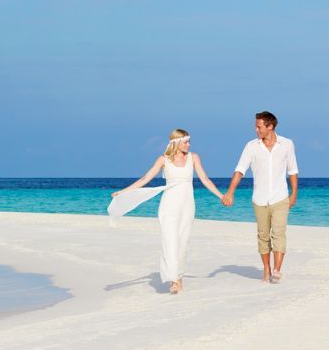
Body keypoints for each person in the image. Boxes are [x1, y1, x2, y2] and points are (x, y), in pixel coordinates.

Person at [111, 129, 224, 294]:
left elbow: (205, 179)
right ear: (177, 142)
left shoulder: (194, 158)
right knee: (169, 241)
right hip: (168, 206)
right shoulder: (163, 160)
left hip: (187, 205)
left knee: (182, 242)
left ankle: (179, 276)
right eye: (186, 141)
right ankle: (173, 280)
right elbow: (145, 179)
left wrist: (221, 196)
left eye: (189, 141)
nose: (189, 144)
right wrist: (122, 192)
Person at [222, 111, 298, 283]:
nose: (256, 130)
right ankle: (267, 269)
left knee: (279, 233)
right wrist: (230, 192)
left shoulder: (287, 144)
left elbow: (292, 171)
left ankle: (277, 270)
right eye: (256, 126)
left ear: (270, 126)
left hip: (280, 197)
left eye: (259, 126)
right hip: (259, 199)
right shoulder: (251, 147)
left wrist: (294, 194)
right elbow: (240, 170)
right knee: (263, 236)